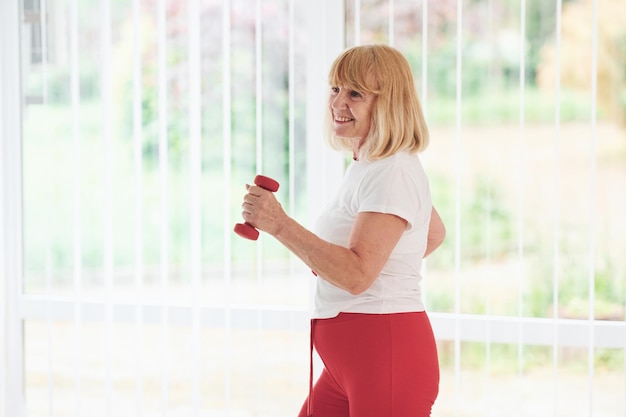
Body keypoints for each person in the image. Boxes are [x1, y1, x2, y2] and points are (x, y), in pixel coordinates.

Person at [239, 44, 446, 417]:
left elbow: (356, 275)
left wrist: (279, 224)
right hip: (349, 363)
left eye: (355, 93)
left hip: (384, 355)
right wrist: (347, 264)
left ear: (388, 103)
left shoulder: (392, 171)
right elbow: (431, 235)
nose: (338, 102)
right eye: (335, 89)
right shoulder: (372, 164)